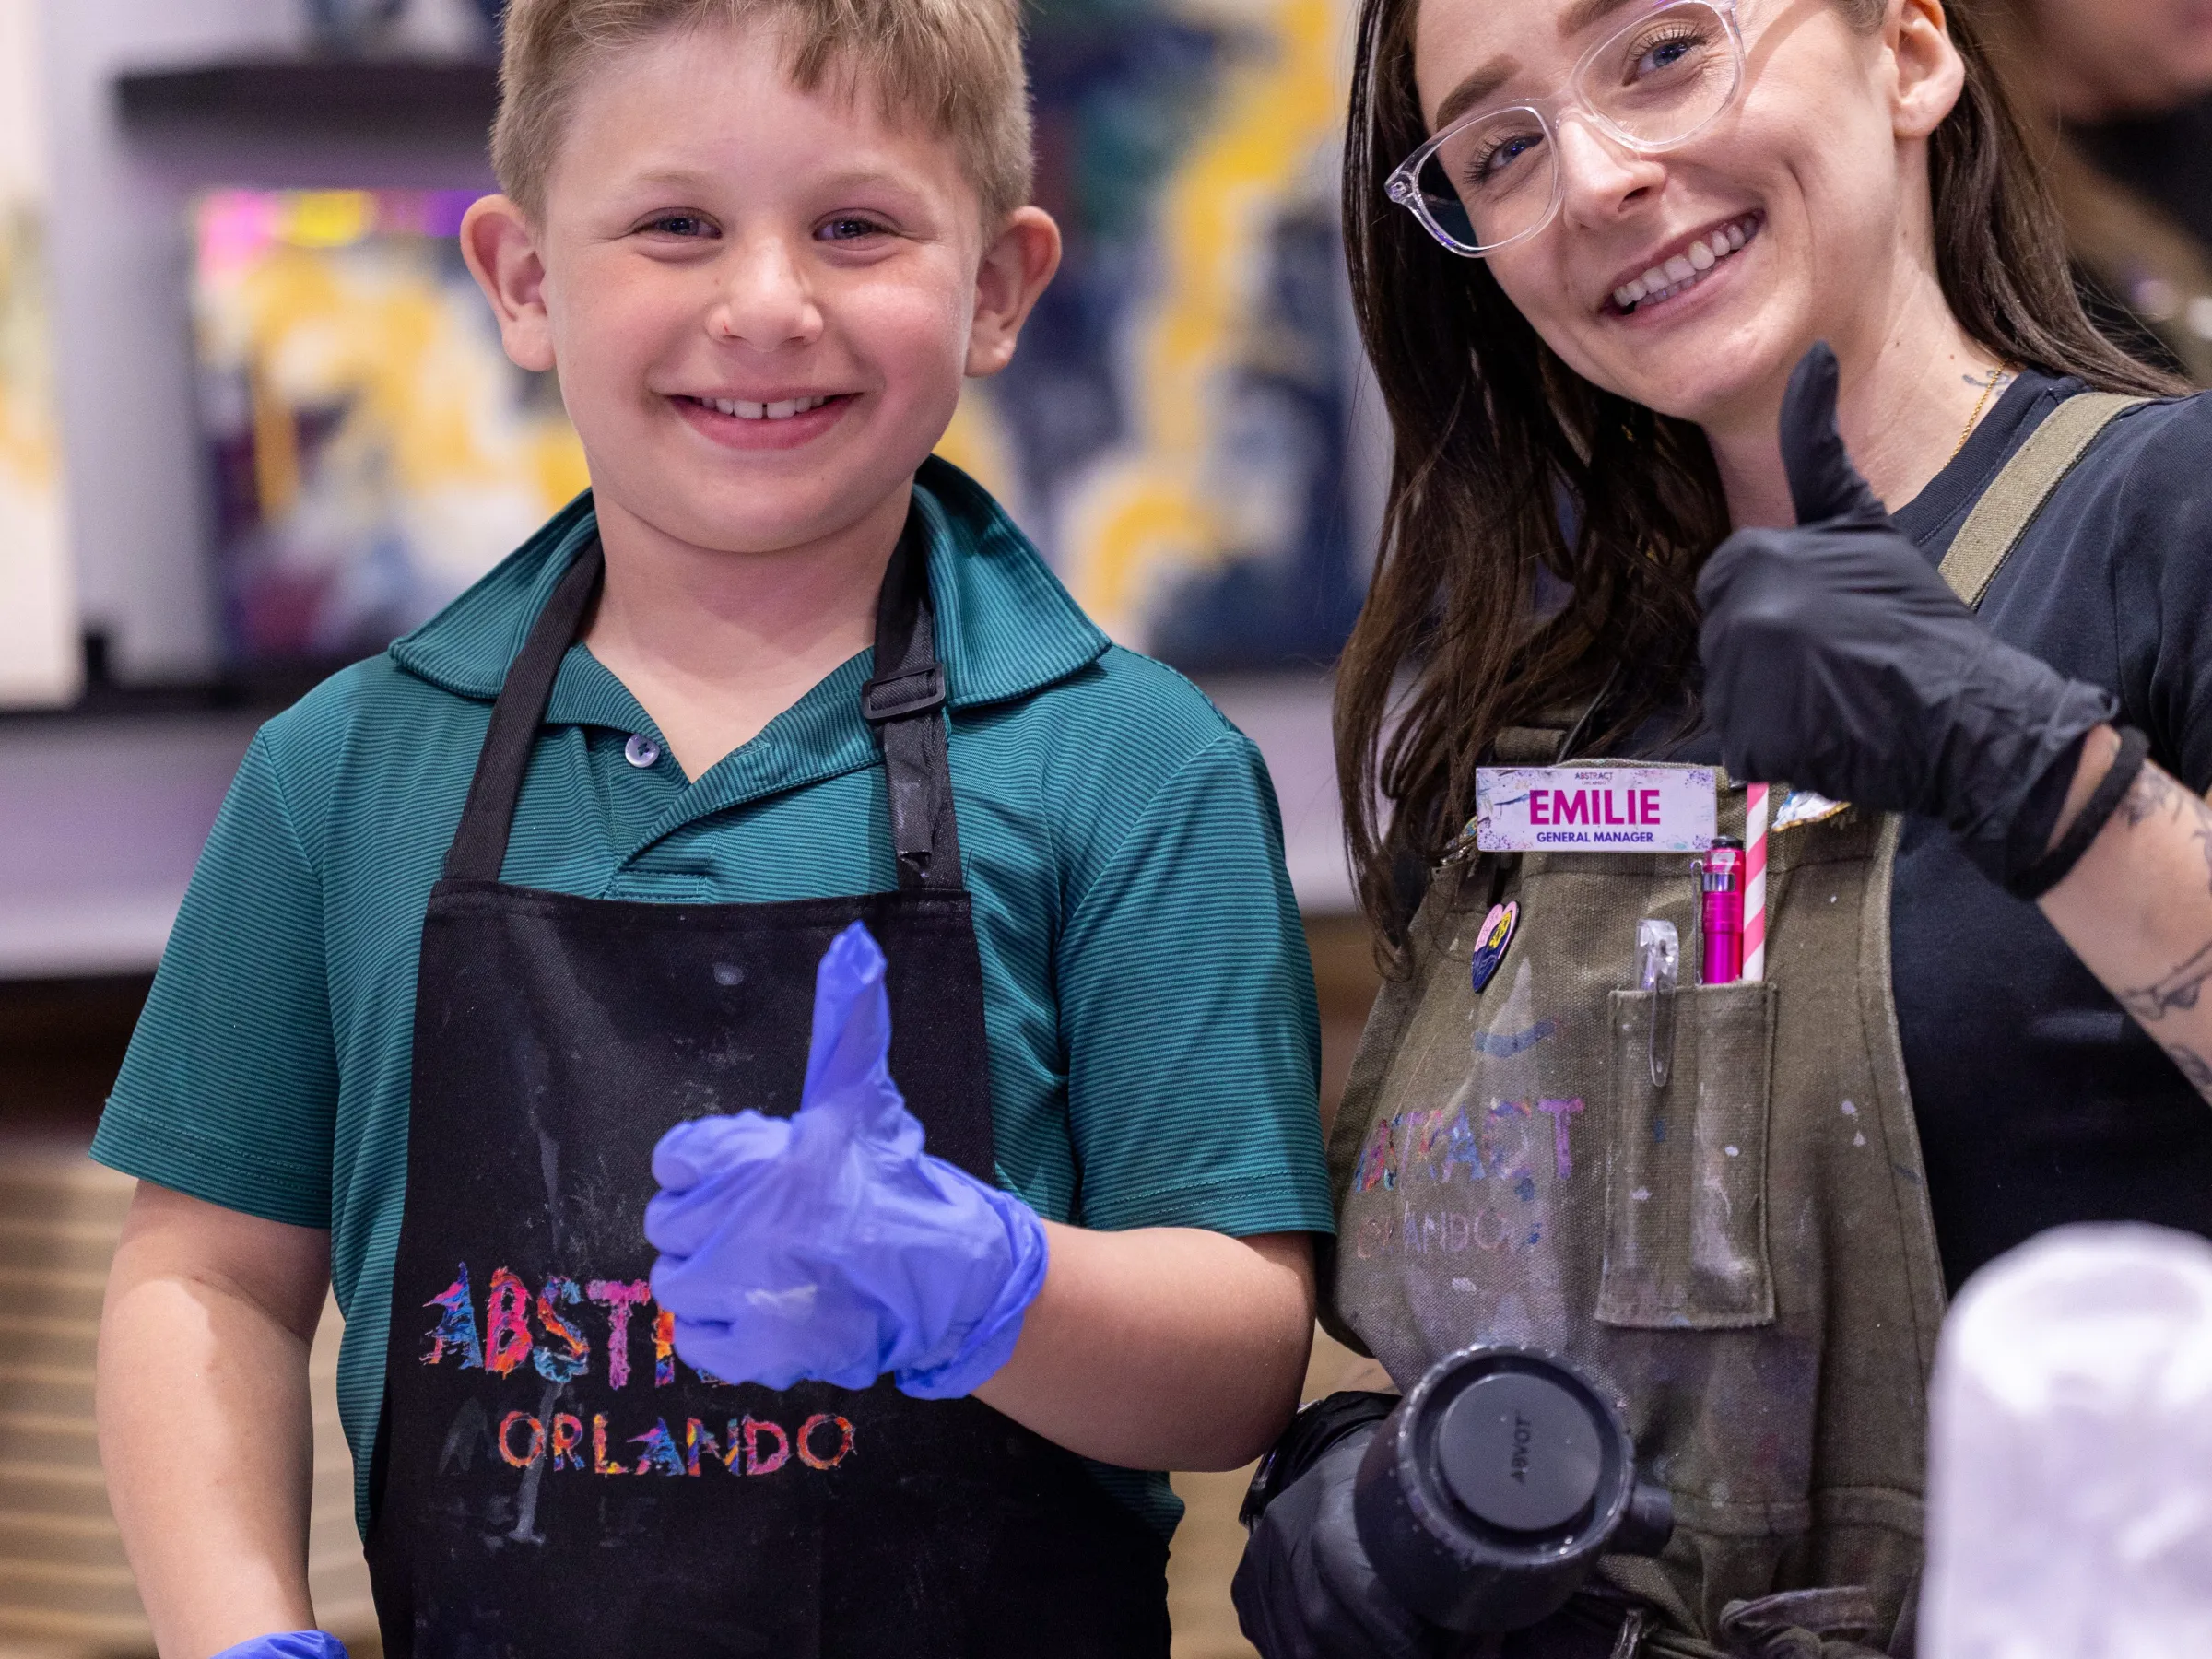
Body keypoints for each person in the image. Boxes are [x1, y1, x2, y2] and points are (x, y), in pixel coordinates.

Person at [89, 1, 1335, 1654]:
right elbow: (207, 1281)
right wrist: (234, 1632)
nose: (767, 305)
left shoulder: (1131, 765)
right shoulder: (343, 772)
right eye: (677, 225)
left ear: (998, 288)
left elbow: (1243, 1362)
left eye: (856, 226)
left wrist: (980, 1283)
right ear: (526, 280)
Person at [1230, 0, 2212, 1649]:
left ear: (1909, 49)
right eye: (1502, 148)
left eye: (1664, 51)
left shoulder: (2167, 524)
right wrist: (1374, 1483)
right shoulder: (1528, 715)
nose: (1599, 175)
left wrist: (2046, 780)